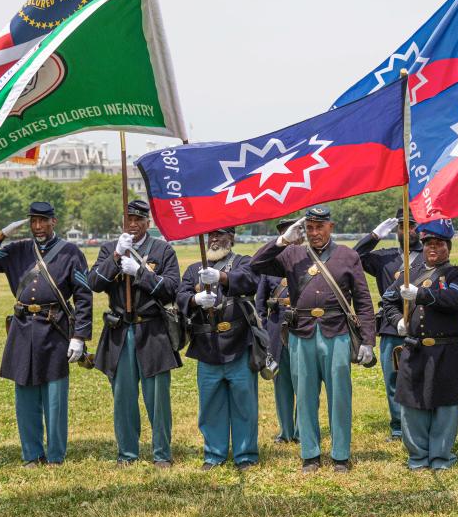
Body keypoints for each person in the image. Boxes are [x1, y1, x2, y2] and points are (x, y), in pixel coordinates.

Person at [251, 206, 376, 474]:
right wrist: (282, 241)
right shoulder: (292, 254)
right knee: (305, 395)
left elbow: (364, 301)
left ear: (331, 227)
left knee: (340, 396)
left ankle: (340, 455)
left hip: (337, 331)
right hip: (302, 331)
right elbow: (257, 263)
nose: (315, 233)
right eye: (309, 228)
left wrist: (368, 340)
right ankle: (310, 454)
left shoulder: (348, 256)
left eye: (320, 227)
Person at [0, 201, 92, 467]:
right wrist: (0, 235)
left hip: (55, 328)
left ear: (54, 221)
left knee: (54, 397)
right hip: (23, 327)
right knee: (25, 395)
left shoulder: (71, 252)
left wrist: (80, 336)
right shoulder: (17, 250)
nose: (38, 227)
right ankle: (31, 453)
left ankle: (55, 455)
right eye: (33, 221)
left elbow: (84, 297)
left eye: (43, 221)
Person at [88, 200, 181, 468]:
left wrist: (140, 272)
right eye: (128, 219)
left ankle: (162, 453)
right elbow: (94, 283)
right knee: (123, 398)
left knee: (158, 399)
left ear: (147, 224)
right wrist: (116, 257)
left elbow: (172, 289)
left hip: (152, 331)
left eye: (139, 220)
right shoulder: (109, 249)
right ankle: (127, 453)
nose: (133, 224)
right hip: (120, 331)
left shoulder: (162, 250)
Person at [381, 219, 458, 470]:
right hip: (416, 348)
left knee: (447, 406)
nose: (433, 248)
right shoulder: (409, 275)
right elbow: (388, 301)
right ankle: (418, 457)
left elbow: (457, 300)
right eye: (428, 244)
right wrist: (398, 320)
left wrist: (421, 295)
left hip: (448, 349)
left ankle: (441, 457)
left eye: (439, 244)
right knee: (412, 405)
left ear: (448, 247)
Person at [178, 227, 260, 471]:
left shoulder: (243, 261)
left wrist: (223, 278)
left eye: (220, 235)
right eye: (210, 235)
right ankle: (214, 454)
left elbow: (252, 281)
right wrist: (194, 300)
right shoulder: (194, 269)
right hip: (207, 347)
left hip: (239, 343)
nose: (214, 240)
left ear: (231, 238)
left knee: (244, 405)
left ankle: (245, 455)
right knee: (211, 406)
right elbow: (180, 296)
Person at [353, 207, 423, 441]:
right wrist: (374, 236)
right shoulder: (385, 257)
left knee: (422, 376)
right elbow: (355, 258)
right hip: (392, 325)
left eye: (412, 225)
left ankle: (421, 421)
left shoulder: (428, 256)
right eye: (403, 226)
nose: (408, 230)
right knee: (393, 378)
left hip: (423, 323)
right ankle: (397, 426)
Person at [255, 219, 300, 444]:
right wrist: (266, 331)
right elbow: (260, 305)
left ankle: (302, 430)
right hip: (276, 329)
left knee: (304, 381)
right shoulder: (269, 268)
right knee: (281, 384)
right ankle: (285, 431)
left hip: (302, 328)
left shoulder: (306, 262)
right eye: (286, 236)